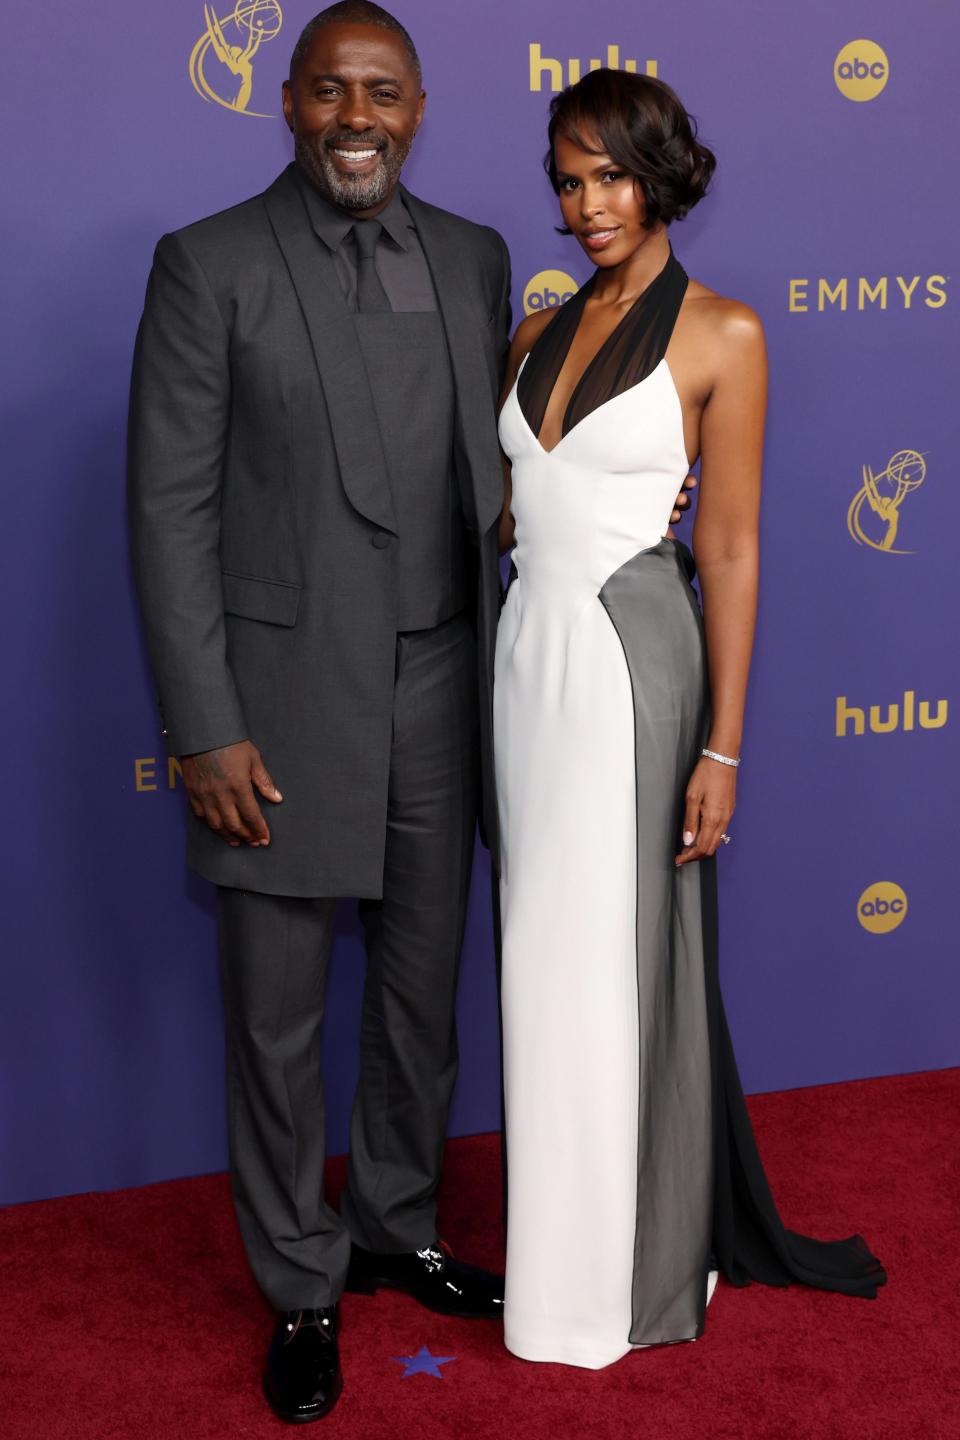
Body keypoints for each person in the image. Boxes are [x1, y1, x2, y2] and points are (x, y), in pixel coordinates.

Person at [127, 2, 697, 1424]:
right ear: (289, 102)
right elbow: (168, 511)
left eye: (382, 92)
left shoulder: (477, 257)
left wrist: (627, 501)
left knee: (421, 989)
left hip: (450, 683)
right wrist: (203, 725)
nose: (357, 117)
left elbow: (507, 464)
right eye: (331, 92)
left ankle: (395, 1221)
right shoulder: (209, 265)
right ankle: (301, 1280)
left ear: (423, 107)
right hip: (275, 702)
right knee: (273, 1017)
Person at [494, 68, 886, 1370]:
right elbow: (518, 510)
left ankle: (626, 1276)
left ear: (661, 174)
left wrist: (722, 742)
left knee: (612, 965)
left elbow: (729, 550)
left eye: (609, 172)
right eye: (567, 176)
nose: (586, 202)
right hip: (528, 664)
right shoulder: (534, 334)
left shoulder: (724, 333)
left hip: (629, 670)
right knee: (540, 964)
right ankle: (558, 1255)